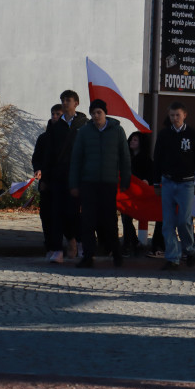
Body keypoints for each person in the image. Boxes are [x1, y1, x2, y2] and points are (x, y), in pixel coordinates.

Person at [69, 99, 131, 268]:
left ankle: (116, 254)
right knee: (87, 221)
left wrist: (126, 180)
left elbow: (125, 157)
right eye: (93, 113)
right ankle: (88, 256)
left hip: (108, 183)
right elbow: (76, 160)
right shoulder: (84, 132)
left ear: (105, 113)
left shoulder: (117, 131)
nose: (96, 116)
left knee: (109, 221)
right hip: (88, 182)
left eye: (99, 113)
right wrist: (74, 184)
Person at [153, 101, 195, 270]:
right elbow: (157, 159)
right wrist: (156, 182)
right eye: (172, 115)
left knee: (184, 221)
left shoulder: (192, 134)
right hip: (168, 182)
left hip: (187, 183)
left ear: (184, 115)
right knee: (168, 223)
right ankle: (173, 257)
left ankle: (190, 249)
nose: (175, 118)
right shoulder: (164, 135)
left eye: (178, 115)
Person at [43, 90, 89, 263]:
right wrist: (46, 178)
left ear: (76, 103)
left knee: (75, 213)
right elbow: (49, 153)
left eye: (68, 100)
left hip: (77, 177)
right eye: (62, 100)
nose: (64, 103)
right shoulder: (55, 126)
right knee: (56, 214)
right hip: (58, 176)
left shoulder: (83, 124)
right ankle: (57, 250)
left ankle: (79, 242)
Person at [32, 103, 63, 257]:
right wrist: (38, 170)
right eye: (53, 114)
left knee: (62, 216)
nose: (55, 117)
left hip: (62, 182)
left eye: (58, 114)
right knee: (46, 215)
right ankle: (49, 245)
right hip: (46, 182)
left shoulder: (68, 137)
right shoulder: (43, 138)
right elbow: (36, 158)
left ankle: (64, 245)